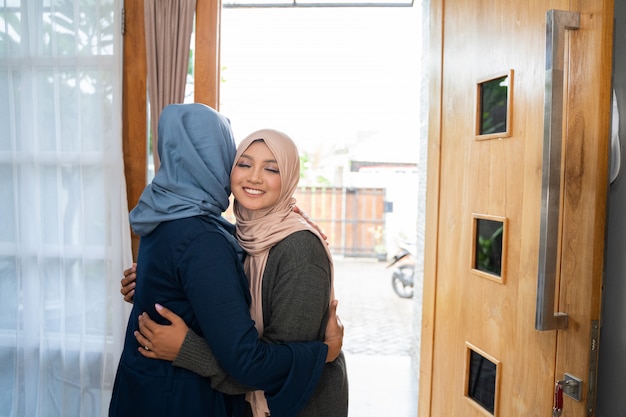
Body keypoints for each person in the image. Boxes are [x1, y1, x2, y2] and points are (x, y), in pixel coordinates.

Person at [109, 103, 343, 417]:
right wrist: (163, 280)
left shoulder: (162, 214)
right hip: (177, 397)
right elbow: (251, 361)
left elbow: (258, 365)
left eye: (272, 168)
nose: (255, 177)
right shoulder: (208, 236)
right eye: (241, 162)